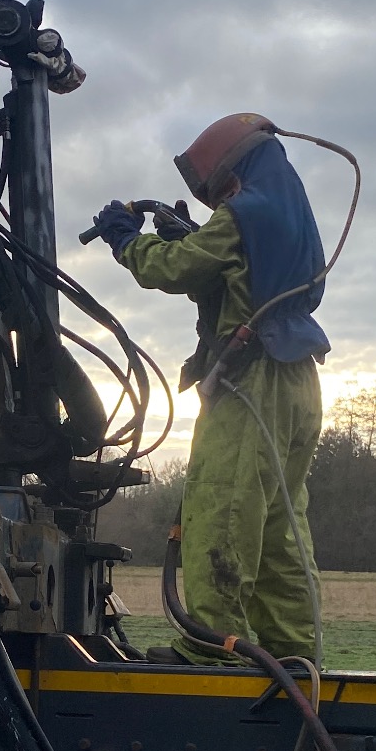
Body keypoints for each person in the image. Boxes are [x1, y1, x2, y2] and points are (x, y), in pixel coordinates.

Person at [90, 112, 327, 664]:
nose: (220, 203)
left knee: (222, 511)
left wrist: (128, 240)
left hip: (253, 383)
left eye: (220, 191)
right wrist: (196, 237)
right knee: (278, 531)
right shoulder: (291, 218)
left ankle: (210, 653)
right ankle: (297, 658)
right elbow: (238, 275)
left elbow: (172, 269)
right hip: (300, 383)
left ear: (235, 172)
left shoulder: (244, 213)